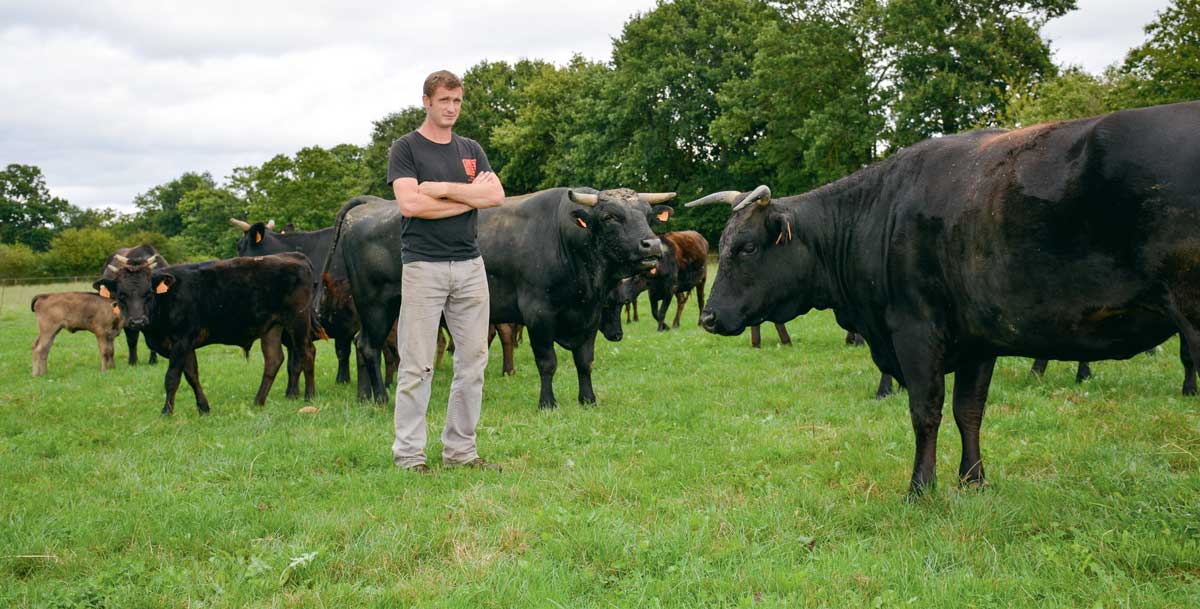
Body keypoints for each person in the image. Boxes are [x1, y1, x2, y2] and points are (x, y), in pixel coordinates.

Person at [387, 70, 505, 473]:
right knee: (417, 364)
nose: (451, 108)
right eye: (443, 101)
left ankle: (460, 452)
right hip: (423, 266)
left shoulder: (470, 149)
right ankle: (409, 456)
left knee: (473, 361)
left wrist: (441, 188)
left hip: (471, 265)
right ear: (426, 101)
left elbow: (497, 195)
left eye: (456, 101)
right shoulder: (405, 149)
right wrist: (470, 198)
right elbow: (411, 206)